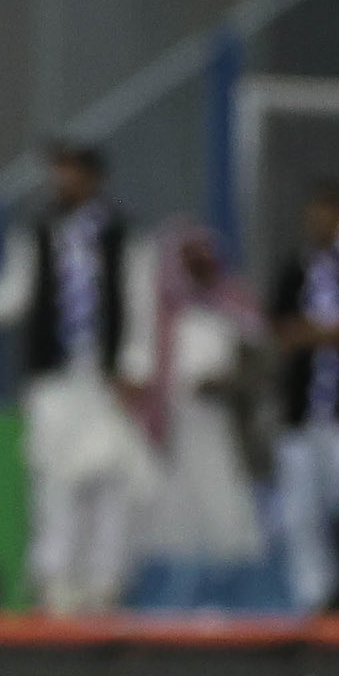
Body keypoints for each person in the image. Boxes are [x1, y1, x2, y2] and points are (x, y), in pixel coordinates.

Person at [0, 141, 157, 614]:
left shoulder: (122, 235)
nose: (61, 182)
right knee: (54, 479)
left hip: (105, 380)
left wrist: (135, 364)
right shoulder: (39, 232)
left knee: (111, 481)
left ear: (91, 177)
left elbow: (140, 301)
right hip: (55, 380)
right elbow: (16, 293)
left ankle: (104, 584)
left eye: (70, 172)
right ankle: (54, 584)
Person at [133, 220, 266, 596]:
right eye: (190, 258)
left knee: (228, 513)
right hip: (177, 429)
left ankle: (236, 594)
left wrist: (227, 384)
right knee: (172, 516)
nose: (199, 265)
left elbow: (260, 365)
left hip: (227, 428)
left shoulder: (236, 303)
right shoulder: (163, 314)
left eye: (204, 257)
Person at [271, 182, 339, 611]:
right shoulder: (292, 272)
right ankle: (310, 599)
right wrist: (325, 333)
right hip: (301, 416)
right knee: (300, 514)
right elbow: (282, 332)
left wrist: (310, 332)